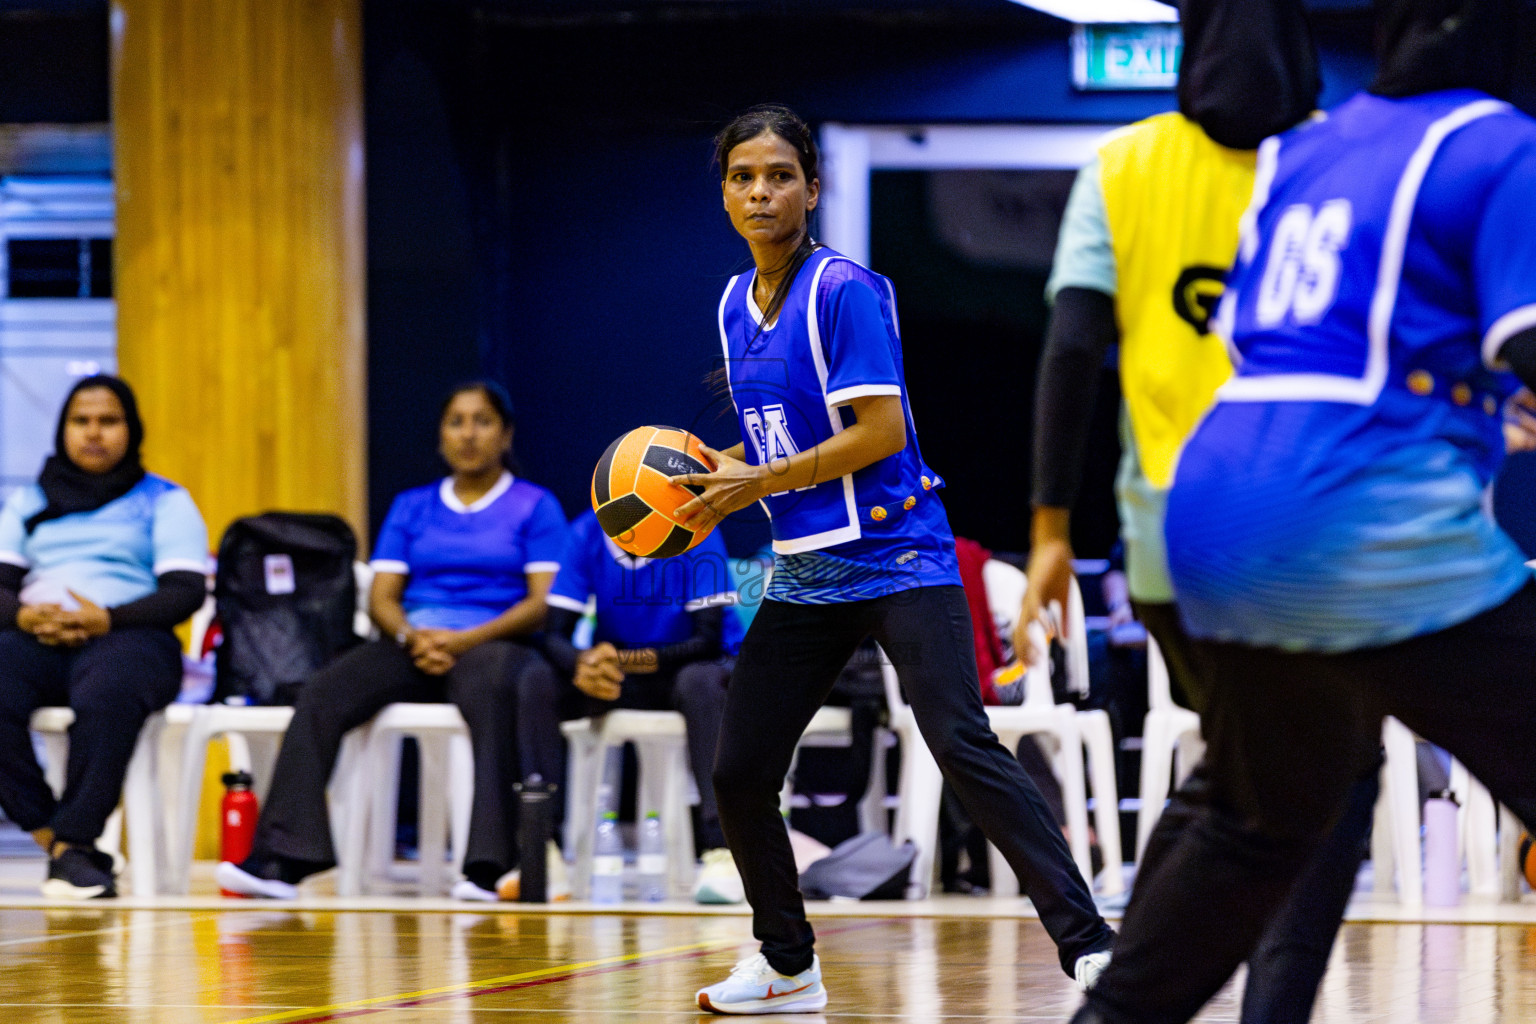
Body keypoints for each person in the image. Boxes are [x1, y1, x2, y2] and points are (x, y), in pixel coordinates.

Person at [1072, 2, 1536, 1022]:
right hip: (1352, 518)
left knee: (1258, 815)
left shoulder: (1306, 153)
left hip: (1217, 504)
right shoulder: (1498, 143)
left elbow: (1307, 344)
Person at [676, 104, 1114, 1016]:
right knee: (741, 770)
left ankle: (1093, 948)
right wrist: (721, 474)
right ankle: (787, 966)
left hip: (900, 554)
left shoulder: (846, 291)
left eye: (780, 176)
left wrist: (761, 480)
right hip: (804, 566)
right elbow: (774, 434)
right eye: (742, 177)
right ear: (724, 192)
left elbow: (878, 433)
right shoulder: (729, 303)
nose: (761, 192)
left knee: (959, 739)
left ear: (812, 186)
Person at [1019, 4, 1380, 1021]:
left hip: (1173, 549)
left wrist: (1051, 528)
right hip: (1309, 536)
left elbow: (1072, 346)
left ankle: (1126, 999)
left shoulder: (1123, 164)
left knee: (1250, 771)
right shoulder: (1344, 157)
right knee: (1330, 771)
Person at [217, 381, 568, 902]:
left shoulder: (534, 506)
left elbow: (542, 603)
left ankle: (486, 869)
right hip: (416, 644)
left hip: (492, 643)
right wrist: (411, 635)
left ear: (506, 434)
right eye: (456, 421)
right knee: (323, 691)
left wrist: (464, 640)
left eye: (482, 421)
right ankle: (283, 861)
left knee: (493, 691)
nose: (468, 434)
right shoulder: (412, 507)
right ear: (441, 436)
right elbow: (383, 596)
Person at [0, 375, 208, 898]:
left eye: (108, 421)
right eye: (81, 421)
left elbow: (184, 592)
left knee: (109, 690)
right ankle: (55, 839)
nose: (94, 433)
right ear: (63, 430)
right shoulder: (31, 501)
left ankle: (76, 838)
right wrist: (25, 618)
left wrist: (106, 619)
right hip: (39, 635)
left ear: (131, 430)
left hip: (129, 636)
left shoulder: (164, 499)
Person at [523, 508, 744, 903]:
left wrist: (622, 661)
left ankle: (723, 850)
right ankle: (542, 849)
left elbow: (707, 639)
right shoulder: (587, 531)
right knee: (538, 678)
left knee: (702, 684)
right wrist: (582, 664)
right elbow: (554, 632)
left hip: (688, 667)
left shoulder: (696, 528)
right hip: (621, 670)